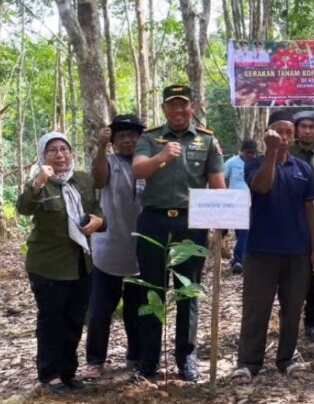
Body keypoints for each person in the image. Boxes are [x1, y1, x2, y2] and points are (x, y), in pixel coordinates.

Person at [131, 84, 226, 382]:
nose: (178, 110)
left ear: (192, 107)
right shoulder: (149, 138)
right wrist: (161, 157)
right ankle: (148, 362)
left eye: (183, 104)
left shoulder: (207, 140)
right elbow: (138, 171)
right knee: (152, 291)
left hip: (191, 222)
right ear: (164, 109)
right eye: (172, 105)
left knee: (188, 291)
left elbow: (217, 184)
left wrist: (219, 228)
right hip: (153, 221)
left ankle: (186, 360)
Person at [231, 112, 314, 381]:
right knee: (256, 308)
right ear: (268, 134)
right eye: (279, 132)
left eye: (288, 132)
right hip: (261, 250)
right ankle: (248, 362)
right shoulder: (254, 163)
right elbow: (262, 187)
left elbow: (310, 209)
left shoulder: (303, 169)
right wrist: (271, 153)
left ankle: (287, 359)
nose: (284, 137)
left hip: (297, 251)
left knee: (293, 307)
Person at [17, 132, 105, 395]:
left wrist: (99, 221)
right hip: (48, 265)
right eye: (52, 150)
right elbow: (23, 208)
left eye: (64, 149)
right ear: (44, 156)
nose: (59, 155)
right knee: (51, 320)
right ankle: (50, 375)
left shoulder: (84, 180)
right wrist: (39, 182)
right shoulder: (39, 182)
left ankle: (68, 372)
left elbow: (96, 209)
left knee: (75, 319)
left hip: (81, 263)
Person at [84, 115, 146, 380]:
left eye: (133, 135)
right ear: (114, 141)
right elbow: (98, 180)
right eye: (122, 136)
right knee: (100, 309)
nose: (129, 140)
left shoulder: (150, 164)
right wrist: (100, 147)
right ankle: (95, 360)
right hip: (108, 248)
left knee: (136, 307)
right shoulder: (108, 162)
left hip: (142, 250)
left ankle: (136, 355)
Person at [290, 110, 314, 344]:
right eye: (303, 126)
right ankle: (290, 320)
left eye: (311, 127)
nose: (307, 130)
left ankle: (313, 322)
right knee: (292, 275)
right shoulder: (287, 154)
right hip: (291, 224)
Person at [224, 140, 258, 274]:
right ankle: (241, 260)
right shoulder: (232, 162)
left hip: (252, 202)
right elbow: (222, 177)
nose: (251, 155)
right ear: (242, 151)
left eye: (254, 152)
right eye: (249, 152)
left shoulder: (258, 163)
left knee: (245, 232)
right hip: (235, 203)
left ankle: (239, 260)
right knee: (241, 233)